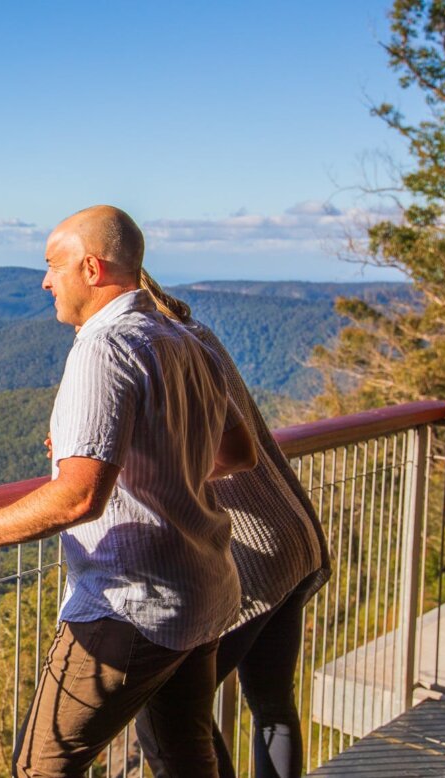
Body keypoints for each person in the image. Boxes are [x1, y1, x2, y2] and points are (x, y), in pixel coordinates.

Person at [0, 205, 257, 777]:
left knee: (40, 769)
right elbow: (237, 453)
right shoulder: (184, 337)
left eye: (52, 266)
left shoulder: (104, 346)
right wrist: (143, 462)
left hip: (131, 605)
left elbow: (77, 497)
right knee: (184, 755)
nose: (45, 281)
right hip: (203, 590)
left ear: (91, 268)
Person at [133, 272, 330, 778]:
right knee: (271, 702)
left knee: (173, 710)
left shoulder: (166, 348)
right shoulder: (194, 332)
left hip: (253, 550)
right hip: (290, 532)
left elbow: (222, 454)